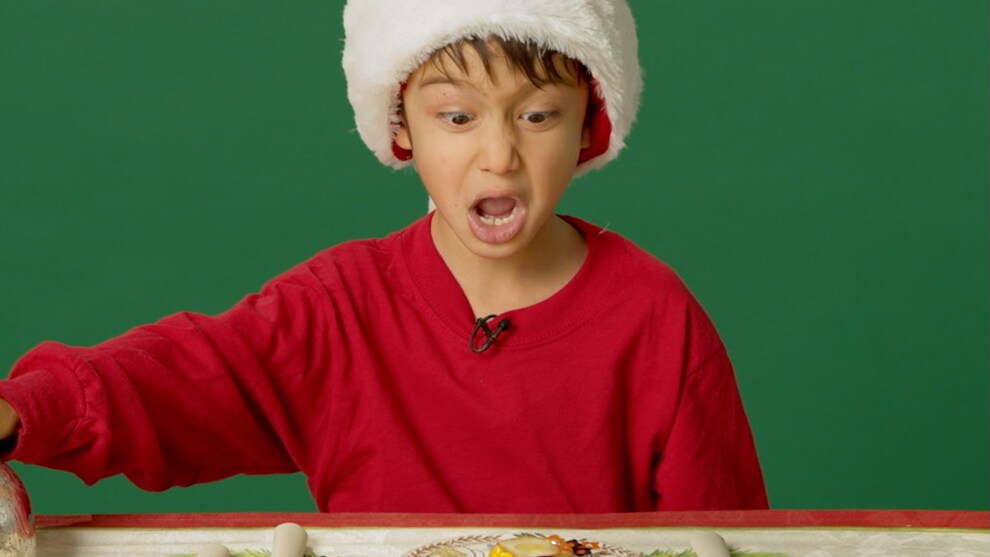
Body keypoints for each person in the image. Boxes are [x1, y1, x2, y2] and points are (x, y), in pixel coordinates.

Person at [0, 0, 768, 512]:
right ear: (402, 127)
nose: (498, 154)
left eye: (538, 115)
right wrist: (26, 408)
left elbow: (731, 535)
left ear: (589, 129)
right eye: (457, 116)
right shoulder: (337, 306)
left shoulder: (657, 317)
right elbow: (178, 378)